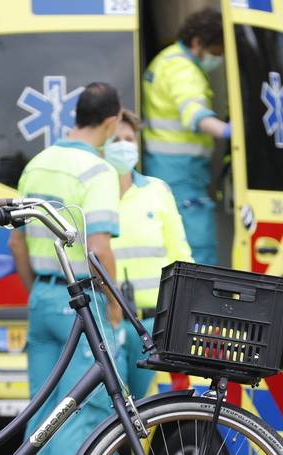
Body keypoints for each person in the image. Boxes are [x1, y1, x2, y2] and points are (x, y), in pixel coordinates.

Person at [8, 82, 125, 455]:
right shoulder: (97, 171)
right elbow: (98, 249)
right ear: (112, 123)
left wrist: (37, 287)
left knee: (42, 403)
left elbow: (17, 242)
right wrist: (113, 307)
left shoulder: (38, 164)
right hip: (82, 300)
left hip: (43, 295)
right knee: (87, 409)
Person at [104, 109, 192, 399]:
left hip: (151, 326)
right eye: (116, 139)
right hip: (106, 321)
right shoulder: (93, 193)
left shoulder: (157, 191)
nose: (124, 145)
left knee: (142, 414)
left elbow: (180, 255)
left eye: (130, 139)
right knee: (105, 411)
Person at [142, 8, 231, 266]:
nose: (218, 58)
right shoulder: (183, 70)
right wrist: (230, 131)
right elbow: (195, 115)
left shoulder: (165, 60)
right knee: (197, 247)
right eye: (216, 51)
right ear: (197, 43)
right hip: (182, 173)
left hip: (167, 167)